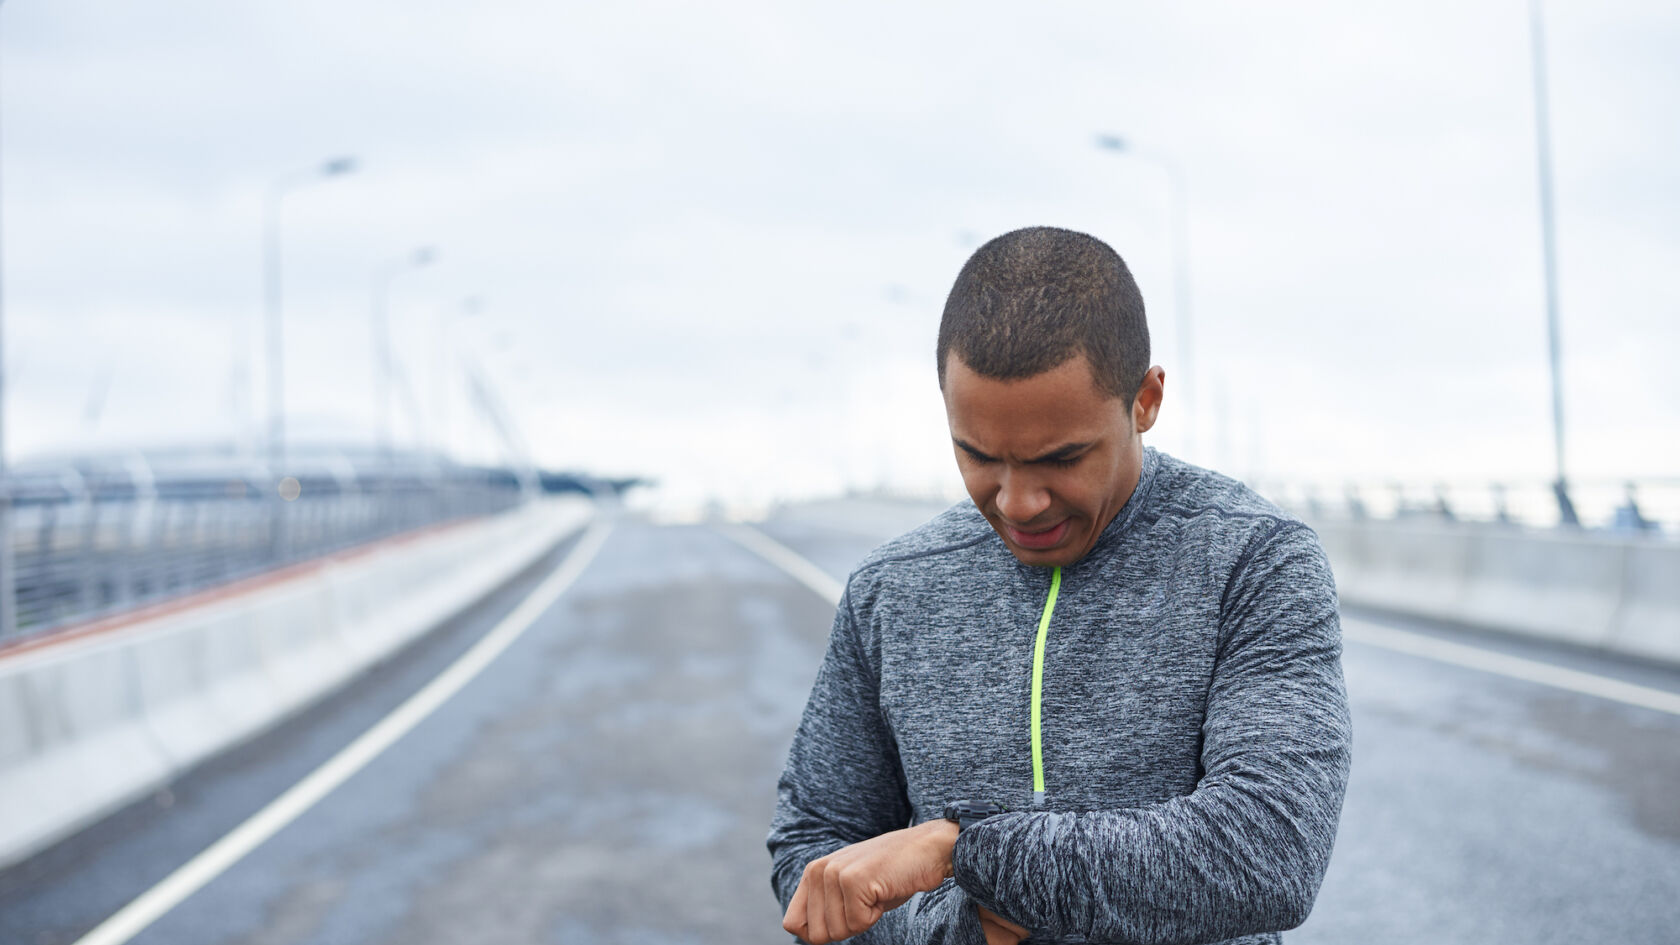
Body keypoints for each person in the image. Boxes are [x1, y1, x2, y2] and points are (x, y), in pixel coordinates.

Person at [766, 226, 1351, 945]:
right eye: (977, 455)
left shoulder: (1254, 559)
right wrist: (958, 925)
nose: (1017, 502)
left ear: (1145, 399)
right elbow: (813, 857)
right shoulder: (891, 588)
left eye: (1061, 458)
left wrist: (963, 853)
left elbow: (1269, 852)